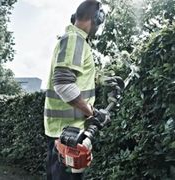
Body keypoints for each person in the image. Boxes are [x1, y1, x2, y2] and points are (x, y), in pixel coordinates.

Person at [44, 1, 106, 179]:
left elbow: (79, 78)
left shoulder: (73, 40)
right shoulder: (75, 39)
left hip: (64, 133)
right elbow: (64, 85)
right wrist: (92, 112)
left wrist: (105, 79)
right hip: (67, 134)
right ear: (96, 18)